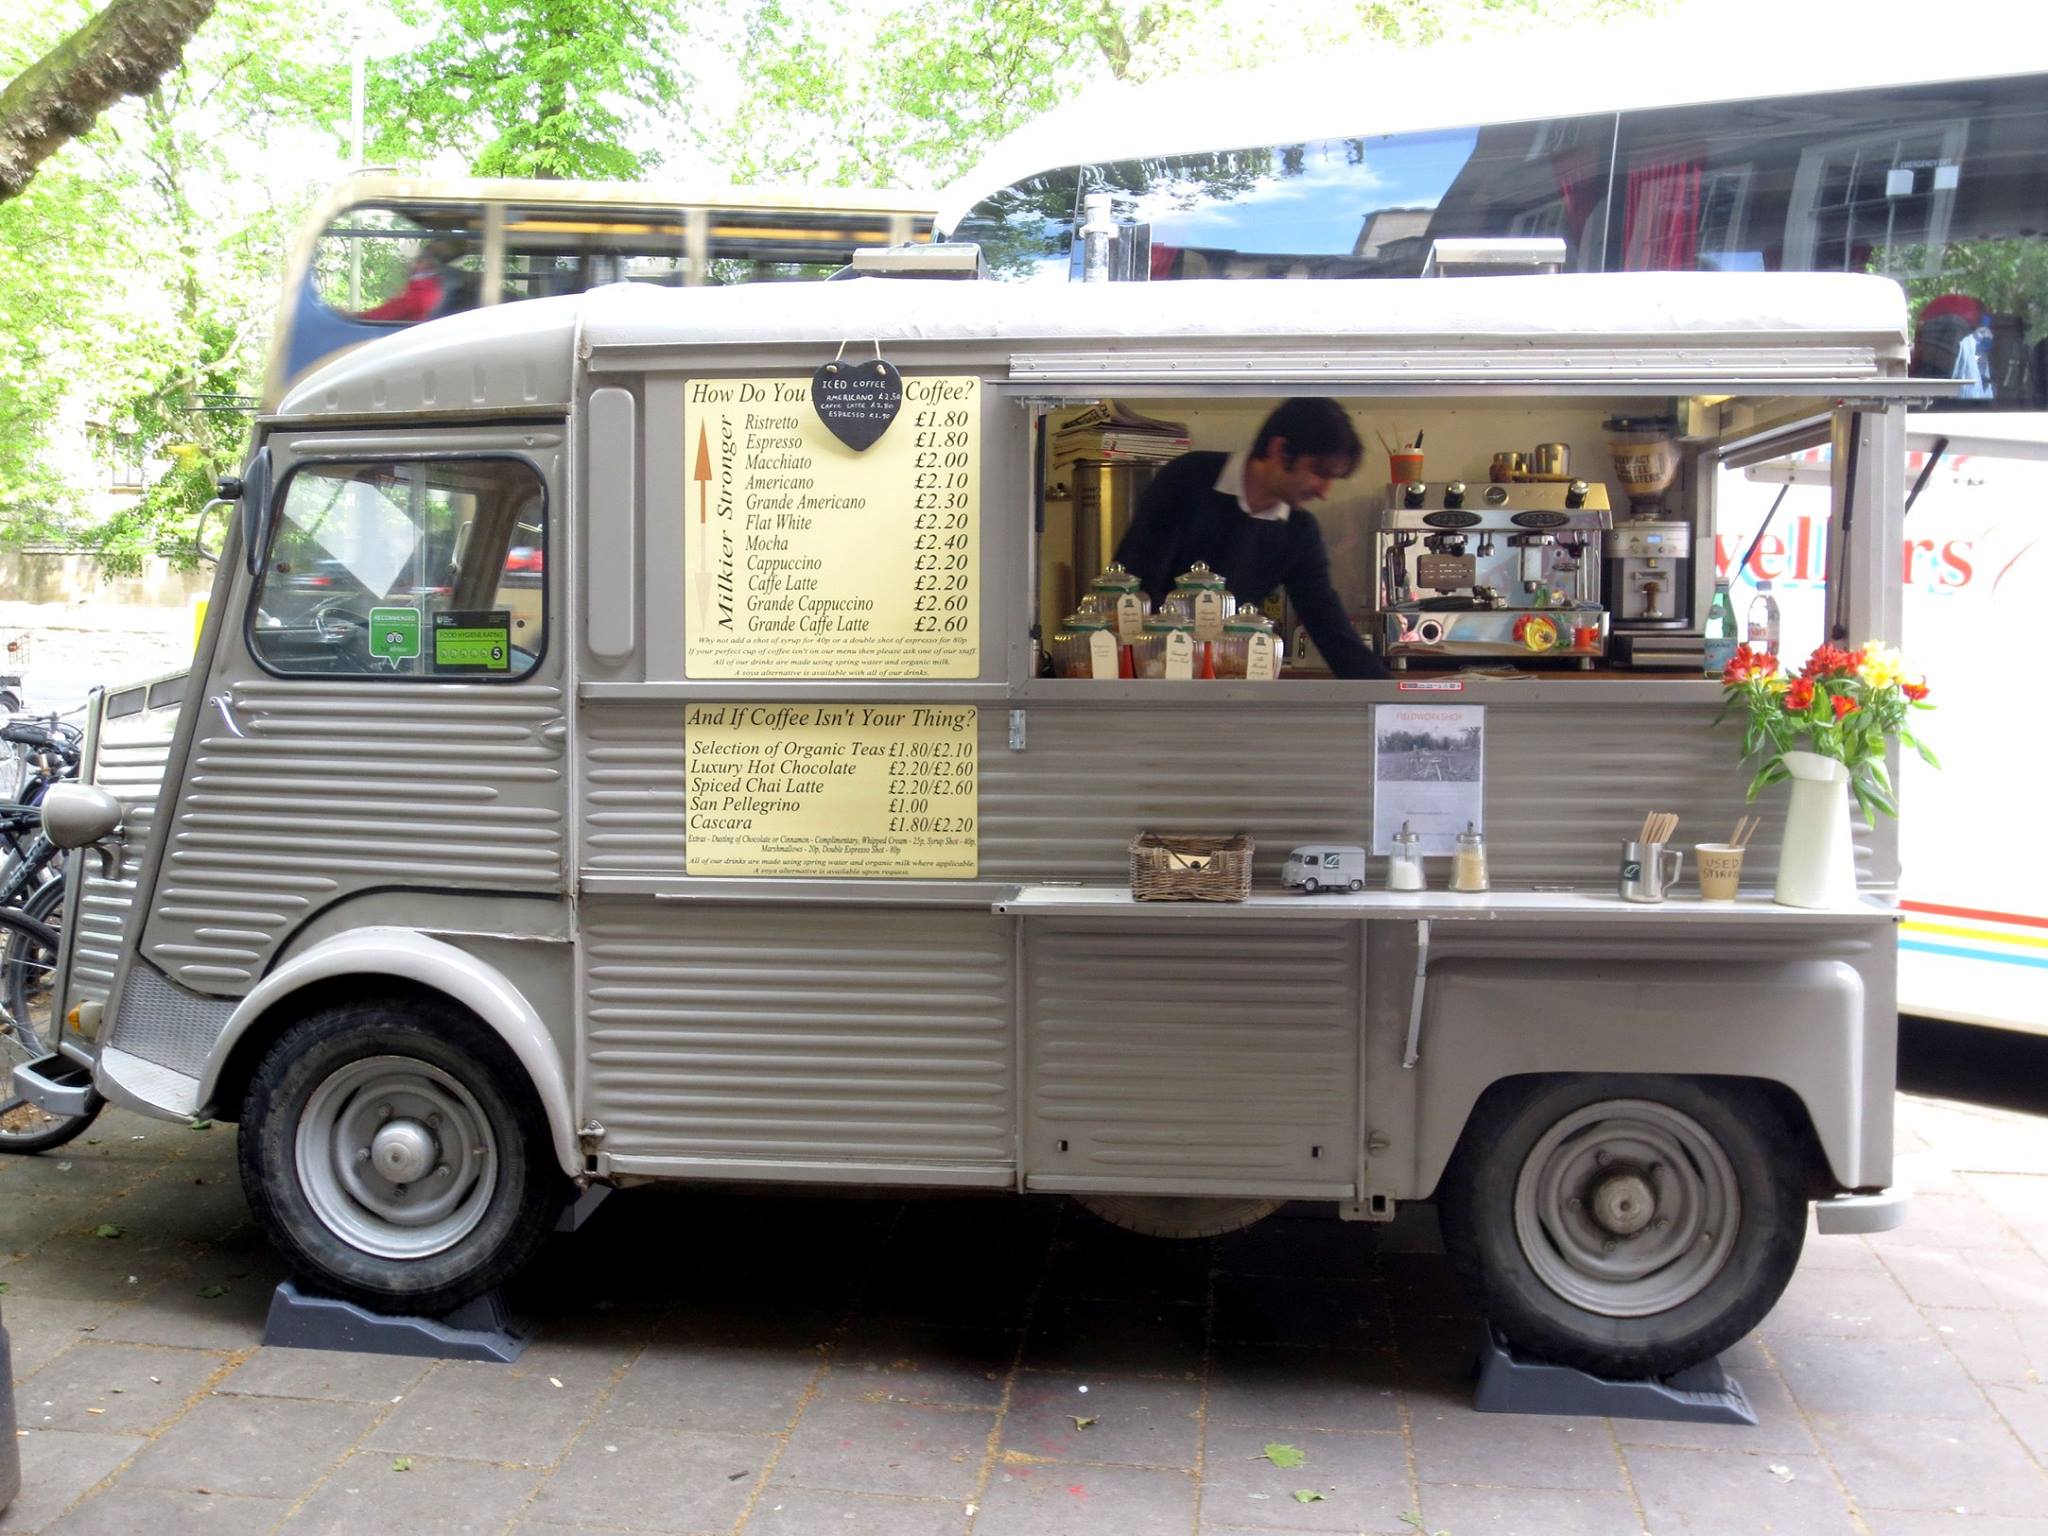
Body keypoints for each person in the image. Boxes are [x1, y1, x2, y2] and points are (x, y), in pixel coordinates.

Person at [1115, 397, 1389, 679]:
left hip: (1227, 682)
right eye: (1319, 472)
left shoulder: (1298, 532)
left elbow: (1328, 625)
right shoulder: (1187, 479)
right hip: (1151, 675)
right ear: (1281, 450)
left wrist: (1391, 700)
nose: (1325, 492)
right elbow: (1134, 585)